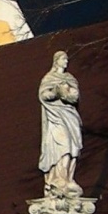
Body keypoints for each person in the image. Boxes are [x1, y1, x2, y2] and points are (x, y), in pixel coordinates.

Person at [38, 50, 82, 196]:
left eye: (67, 59)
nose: (66, 62)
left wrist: (67, 92)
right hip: (56, 117)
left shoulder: (70, 78)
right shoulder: (49, 78)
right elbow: (44, 95)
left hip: (70, 116)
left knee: (73, 147)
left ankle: (68, 178)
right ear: (56, 61)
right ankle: (59, 178)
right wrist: (57, 91)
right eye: (63, 59)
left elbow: (75, 97)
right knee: (63, 145)